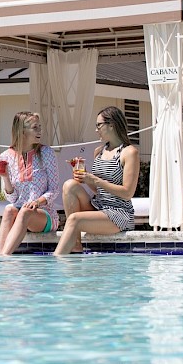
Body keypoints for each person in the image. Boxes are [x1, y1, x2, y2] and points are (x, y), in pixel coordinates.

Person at [54, 106, 140, 256]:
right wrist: (86, 178)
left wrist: (95, 180)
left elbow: (127, 193)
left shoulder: (129, 152)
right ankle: (75, 245)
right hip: (98, 206)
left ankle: (56, 264)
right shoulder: (98, 151)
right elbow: (98, 190)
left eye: (98, 125)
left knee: (74, 219)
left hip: (119, 212)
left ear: (111, 125)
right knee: (70, 185)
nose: (96, 130)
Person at [0, 111, 59, 255]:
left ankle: (4, 258)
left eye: (40, 127)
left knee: (25, 211)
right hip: (20, 212)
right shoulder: (6, 156)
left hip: (44, 214)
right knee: (9, 210)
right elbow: (13, 199)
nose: (40, 131)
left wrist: (37, 202)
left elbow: (54, 190)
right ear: (22, 131)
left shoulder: (47, 153)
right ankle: (1, 259)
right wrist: (5, 177)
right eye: (35, 127)